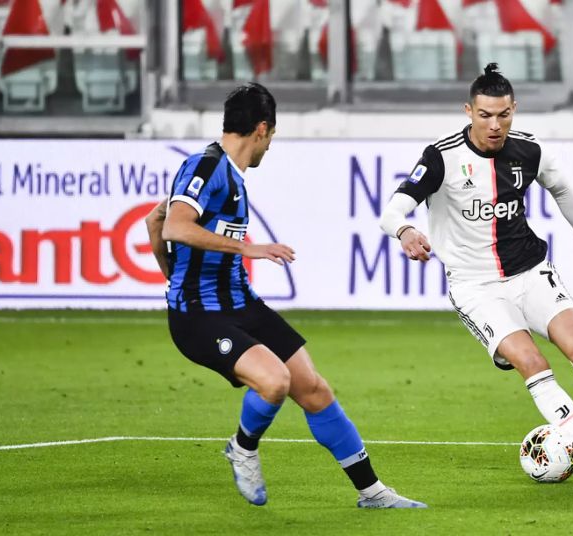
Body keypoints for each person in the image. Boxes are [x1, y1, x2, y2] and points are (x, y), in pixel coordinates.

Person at [379, 64, 573, 485]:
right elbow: (392, 210)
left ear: (514, 110)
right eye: (484, 115)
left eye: (503, 115)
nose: (494, 126)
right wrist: (405, 230)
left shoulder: (528, 151)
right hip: (476, 288)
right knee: (532, 362)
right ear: (468, 111)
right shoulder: (441, 157)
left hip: (531, 272)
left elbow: (563, 189)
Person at [144, 82, 425, 508]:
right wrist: (240, 252)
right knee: (275, 381)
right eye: (271, 137)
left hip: (240, 303)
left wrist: (173, 275)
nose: (269, 147)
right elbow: (174, 226)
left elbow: (154, 218)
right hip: (201, 316)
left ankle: (373, 493)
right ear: (261, 129)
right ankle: (242, 447)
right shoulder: (207, 166)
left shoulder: (228, 174)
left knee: (313, 387)